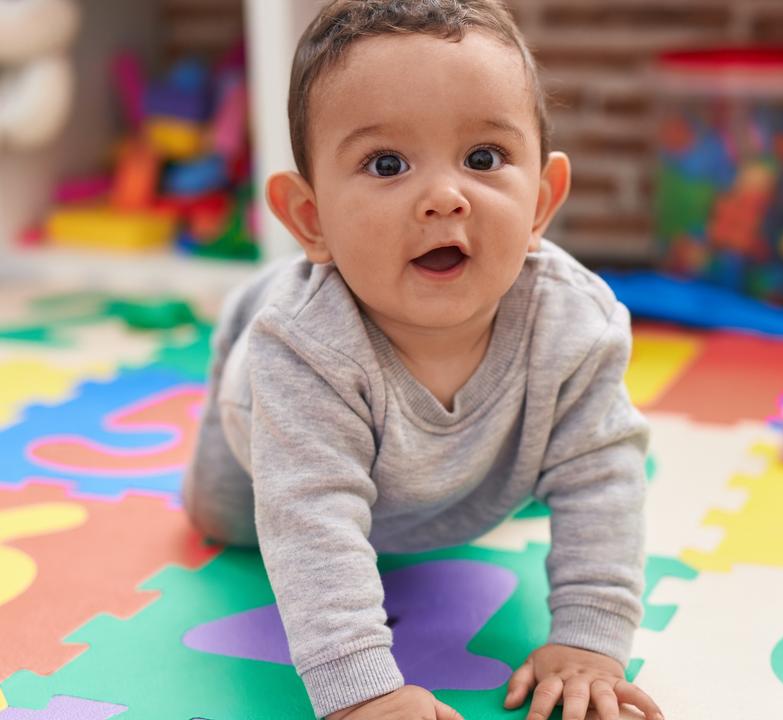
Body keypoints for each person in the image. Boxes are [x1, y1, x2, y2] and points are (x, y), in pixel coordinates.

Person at [181, 2, 660, 719]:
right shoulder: (303, 350)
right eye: (387, 164)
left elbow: (602, 481)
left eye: (483, 159)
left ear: (541, 201)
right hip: (265, 426)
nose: (444, 197)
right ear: (311, 220)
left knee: (576, 456)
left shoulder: (575, 325)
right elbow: (310, 521)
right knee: (225, 523)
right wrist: (362, 691)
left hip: (454, 477)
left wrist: (590, 640)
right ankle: (247, 312)